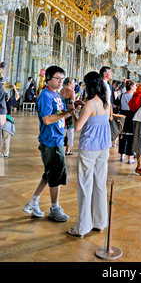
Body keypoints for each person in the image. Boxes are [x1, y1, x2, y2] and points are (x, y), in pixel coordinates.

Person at [22, 66, 74, 221]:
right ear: (48, 79)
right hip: (50, 140)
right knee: (55, 175)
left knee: (50, 173)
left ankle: (33, 202)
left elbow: (59, 114)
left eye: (62, 79)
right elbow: (47, 119)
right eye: (57, 78)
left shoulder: (55, 95)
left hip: (56, 138)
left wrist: (71, 107)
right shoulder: (45, 95)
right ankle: (54, 208)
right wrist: (66, 113)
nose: (60, 82)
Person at [67, 71, 111, 238]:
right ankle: (100, 223)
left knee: (85, 186)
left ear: (89, 85)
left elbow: (78, 127)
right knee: (100, 185)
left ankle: (83, 227)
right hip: (103, 147)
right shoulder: (106, 102)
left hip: (89, 148)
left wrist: (73, 111)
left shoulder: (90, 104)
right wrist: (82, 106)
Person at [118, 80, 137, 163]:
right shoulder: (133, 95)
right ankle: (130, 157)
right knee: (131, 136)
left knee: (122, 135)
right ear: (131, 87)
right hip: (131, 116)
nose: (136, 87)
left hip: (122, 116)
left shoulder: (121, 95)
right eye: (135, 86)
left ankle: (122, 155)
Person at [0, 84, 19, 158]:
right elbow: (17, 97)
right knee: (6, 139)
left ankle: (0, 153)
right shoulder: (9, 102)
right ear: (7, 98)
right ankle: (5, 154)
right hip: (6, 122)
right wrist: (14, 88)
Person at [59, 77, 76, 155]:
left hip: (62, 113)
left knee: (63, 130)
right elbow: (73, 103)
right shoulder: (71, 91)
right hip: (69, 113)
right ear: (69, 83)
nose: (74, 84)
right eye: (73, 83)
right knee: (70, 131)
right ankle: (68, 149)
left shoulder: (61, 90)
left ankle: (61, 148)